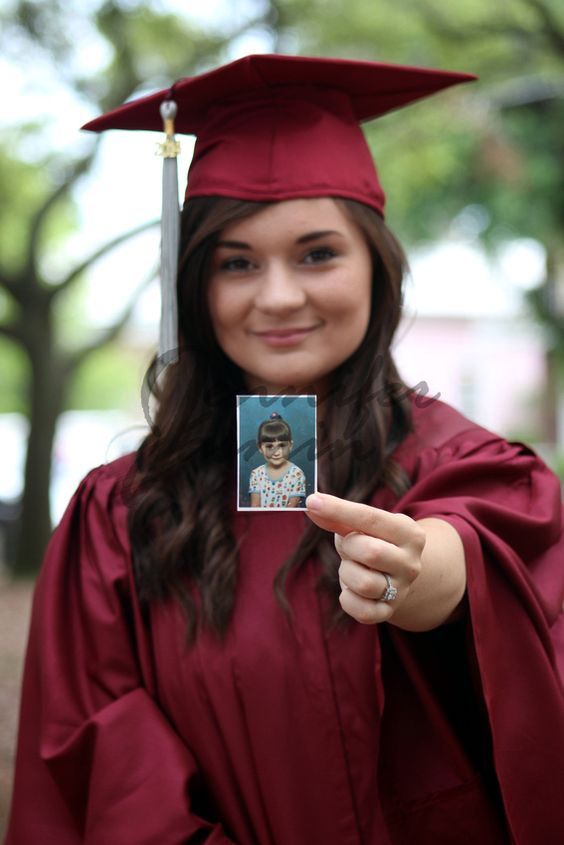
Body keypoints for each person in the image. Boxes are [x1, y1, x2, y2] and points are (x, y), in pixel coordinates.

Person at [5, 54, 564, 845]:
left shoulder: (472, 473)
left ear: (378, 263)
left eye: (317, 253)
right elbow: (104, 775)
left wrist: (445, 580)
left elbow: (500, 587)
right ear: (195, 285)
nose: (277, 296)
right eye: (237, 262)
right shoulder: (121, 520)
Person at [249, 413, 306, 509]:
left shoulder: (296, 474)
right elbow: (254, 506)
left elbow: (291, 508)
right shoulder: (256, 474)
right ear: (260, 447)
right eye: (270, 446)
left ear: (290, 446)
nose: (276, 453)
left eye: (282, 445)